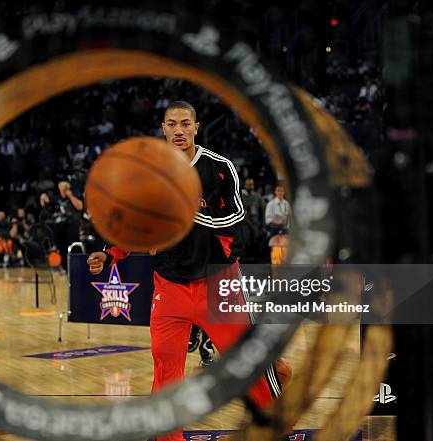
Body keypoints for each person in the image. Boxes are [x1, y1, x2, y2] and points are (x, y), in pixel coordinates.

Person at [87, 101, 285, 441]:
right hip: (169, 284)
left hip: (217, 281)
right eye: (171, 124)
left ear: (196, 127)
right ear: (162, 128)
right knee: (166, 372)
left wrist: (191, 216)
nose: (178, 130)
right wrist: (109, 254)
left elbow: (238, 220)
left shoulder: (219, 168)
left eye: (184, 123)